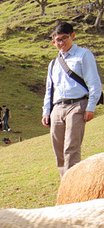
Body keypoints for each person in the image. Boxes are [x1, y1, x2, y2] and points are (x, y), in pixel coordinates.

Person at [42, 21, 102, 176]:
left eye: (64, 38)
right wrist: (46, 112)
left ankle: (72, 185)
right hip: (57, 107)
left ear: (72, 36)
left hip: (77, 105)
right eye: (57, 40)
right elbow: (49, 89)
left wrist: (90, 107)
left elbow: (94, 82)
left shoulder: (83, 54)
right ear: (53, 41)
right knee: (58, 149)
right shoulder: (53, 63)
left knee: (71, 147)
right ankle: (65, 184)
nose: (61, 43)